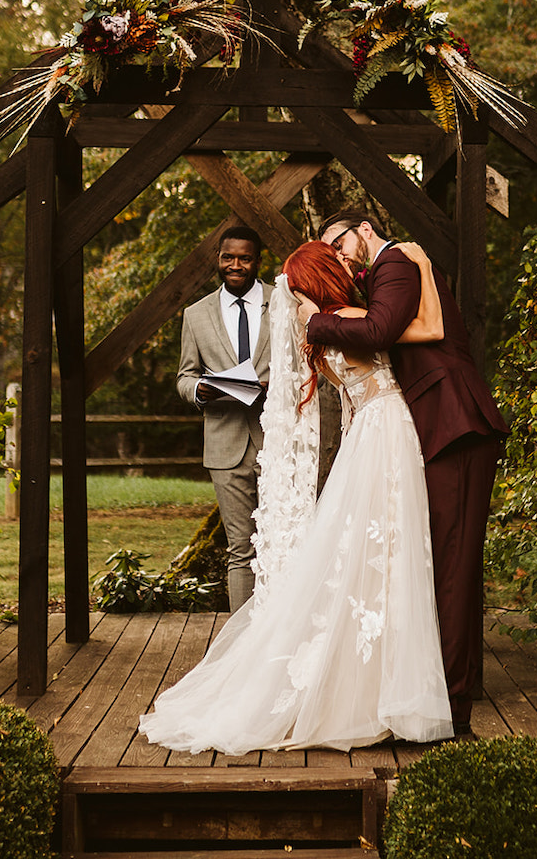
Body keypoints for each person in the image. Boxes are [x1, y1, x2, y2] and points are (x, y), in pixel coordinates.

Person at [140, 240, 453, 752]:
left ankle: (368, 686)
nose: (351, 266)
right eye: (340, 264)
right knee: (390, 554)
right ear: (328, 276)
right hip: (387, 433)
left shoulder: (316, 334)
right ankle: (383, 689)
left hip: (364, 438)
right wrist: (421, 263)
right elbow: (431, 328)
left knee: (363, 557)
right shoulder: (351, 317)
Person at [301, 209, 509, 740]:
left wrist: (312, 322)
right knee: (431, 564)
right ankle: (427, 695)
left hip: (452, 423)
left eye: (341, 244)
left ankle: (455, 711)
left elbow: (379, 330)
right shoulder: (385, 271)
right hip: (426, 429)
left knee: (453, 568)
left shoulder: (396, 259)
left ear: (364, 229)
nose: (341, 257)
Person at [176, 227, 271, 611]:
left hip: (277, 440)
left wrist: (276, 385)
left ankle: (280, 636)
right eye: (228, 257)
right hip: (224, 443)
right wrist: (200, 390)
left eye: (244, 258)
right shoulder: (195, 315)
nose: (236, 265)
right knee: (240, 548)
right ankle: (242, 644)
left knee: (284, 541)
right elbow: (184, 376)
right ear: (218, 258)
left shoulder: (283, 304)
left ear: (257, 261)